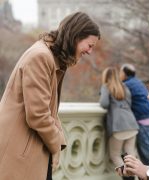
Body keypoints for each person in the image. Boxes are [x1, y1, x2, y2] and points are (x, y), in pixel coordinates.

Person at [0, 12, 100, 180]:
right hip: (20, 148)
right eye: (89, 45)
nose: (90, 51)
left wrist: (57, 141)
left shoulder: (51, 58)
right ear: (76, 36)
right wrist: (56, 145)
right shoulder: (41, 57)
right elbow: (38, 115)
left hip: (29, 146)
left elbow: (48, 109)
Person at [99, 67, 139, 180]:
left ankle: (127, 178)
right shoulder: (125, 86)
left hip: (118, 126)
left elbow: (104, 104)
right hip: (131, 123)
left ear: (106, 77)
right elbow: (129, 103)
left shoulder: (106, 86)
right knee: (130, 155)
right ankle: (134, 177)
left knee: (115, 155)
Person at [119, 64, 149, 165]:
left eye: (120, 72)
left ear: (124, 73)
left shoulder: (127, 85)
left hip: (143, 121)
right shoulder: (137, 82)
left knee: (147, 154)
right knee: (147, 152)